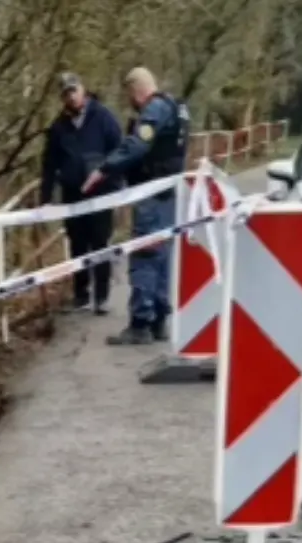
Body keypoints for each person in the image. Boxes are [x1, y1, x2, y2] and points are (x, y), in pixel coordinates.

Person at [81, 66, 190, 345]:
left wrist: (104, 170)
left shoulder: (154, 109)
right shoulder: (178, 108)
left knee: (144, 255)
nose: (130, 102)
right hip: (169, 193)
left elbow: (137, 146)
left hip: (151, 194)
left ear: (136, 90)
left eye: (130, 94)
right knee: (162, 256)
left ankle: (141, 322)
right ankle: (159, 320)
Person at [39, 72, 123, 314]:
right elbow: (49, 163)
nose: (71, 96)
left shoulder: (103, 117)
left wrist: (115, 185)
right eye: (66, 93)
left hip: (100, 192)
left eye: (74, 90)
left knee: (100, 243)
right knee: (76, 245)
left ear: (83, 89)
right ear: (62, 97)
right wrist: (45, 198)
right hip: (72, 194)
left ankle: (102, 296)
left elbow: (119, 151)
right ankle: (81, 294)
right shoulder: (58, 127)